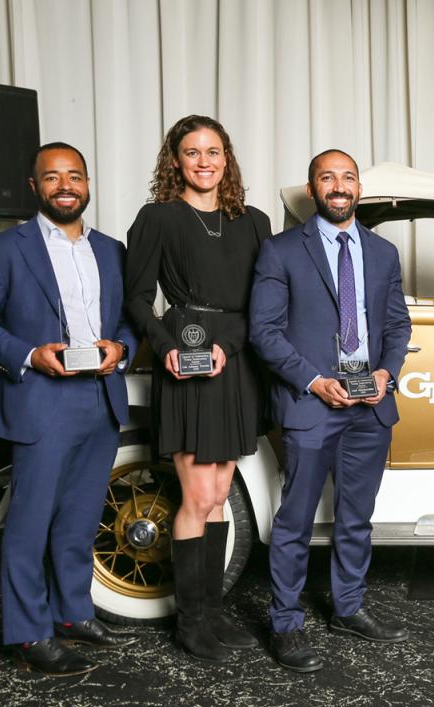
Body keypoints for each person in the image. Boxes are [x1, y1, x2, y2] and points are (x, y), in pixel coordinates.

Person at [0, 142, 139, 676]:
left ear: (88, 184)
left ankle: (72, 613)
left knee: (80, 520)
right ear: (35, 188)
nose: (66, 186)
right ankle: (29, 632)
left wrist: (121, 349)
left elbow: (129, 318)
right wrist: (30, 354)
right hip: (40, 397)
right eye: (53, 177)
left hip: (100, 397)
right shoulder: (4, 249)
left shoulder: (112, 250)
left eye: (75, 176)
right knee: (30, 523)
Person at [249, 149, 412, 673]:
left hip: (370, 404)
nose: (339, 186)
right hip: (311, 404)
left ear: (358, 188)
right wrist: (314, 381)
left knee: (356, 519)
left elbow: (397, 325)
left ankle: (348, 607)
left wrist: (387, 373)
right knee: (295, 520)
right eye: (328, 177)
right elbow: (264, 332)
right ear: (312, 187)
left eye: (348, 177)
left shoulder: (383, 253)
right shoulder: (281, 251)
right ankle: (286, 623)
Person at [125, 116, 270, 662]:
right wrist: (165, 348)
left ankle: (211, 612)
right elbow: (137, 297)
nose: (204, 161)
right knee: (198, 495)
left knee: (219, 497)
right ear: (176, 161)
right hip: (182, 355)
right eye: (192, 152)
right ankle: (191, 622)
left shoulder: (253, 221)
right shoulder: (158, 217)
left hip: (234, 359)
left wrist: (226, 347)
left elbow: (263, 303)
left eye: (213, 151)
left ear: (227, 158)